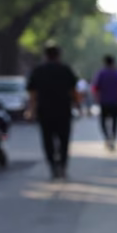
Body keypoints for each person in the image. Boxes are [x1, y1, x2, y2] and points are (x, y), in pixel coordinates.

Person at [26, 43, 78, 179]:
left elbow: (32, 93)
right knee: (64, 140)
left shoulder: (38, 70)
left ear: (45, 55)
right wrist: (77, 105)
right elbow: (73, 90)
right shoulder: (65, 69)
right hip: (63, 111)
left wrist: (31, 110)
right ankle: (62, 165)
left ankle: (53, 165)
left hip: (44, 111)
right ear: (58, 55)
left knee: (47, 139)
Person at [92, 55, 117, 150]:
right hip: (116, 102)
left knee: (103, 122)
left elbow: (95, 88)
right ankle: (113, 138)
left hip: (104, 102)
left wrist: (97, 99)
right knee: (115, 121)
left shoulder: (101, 74)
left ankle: (107, 137)